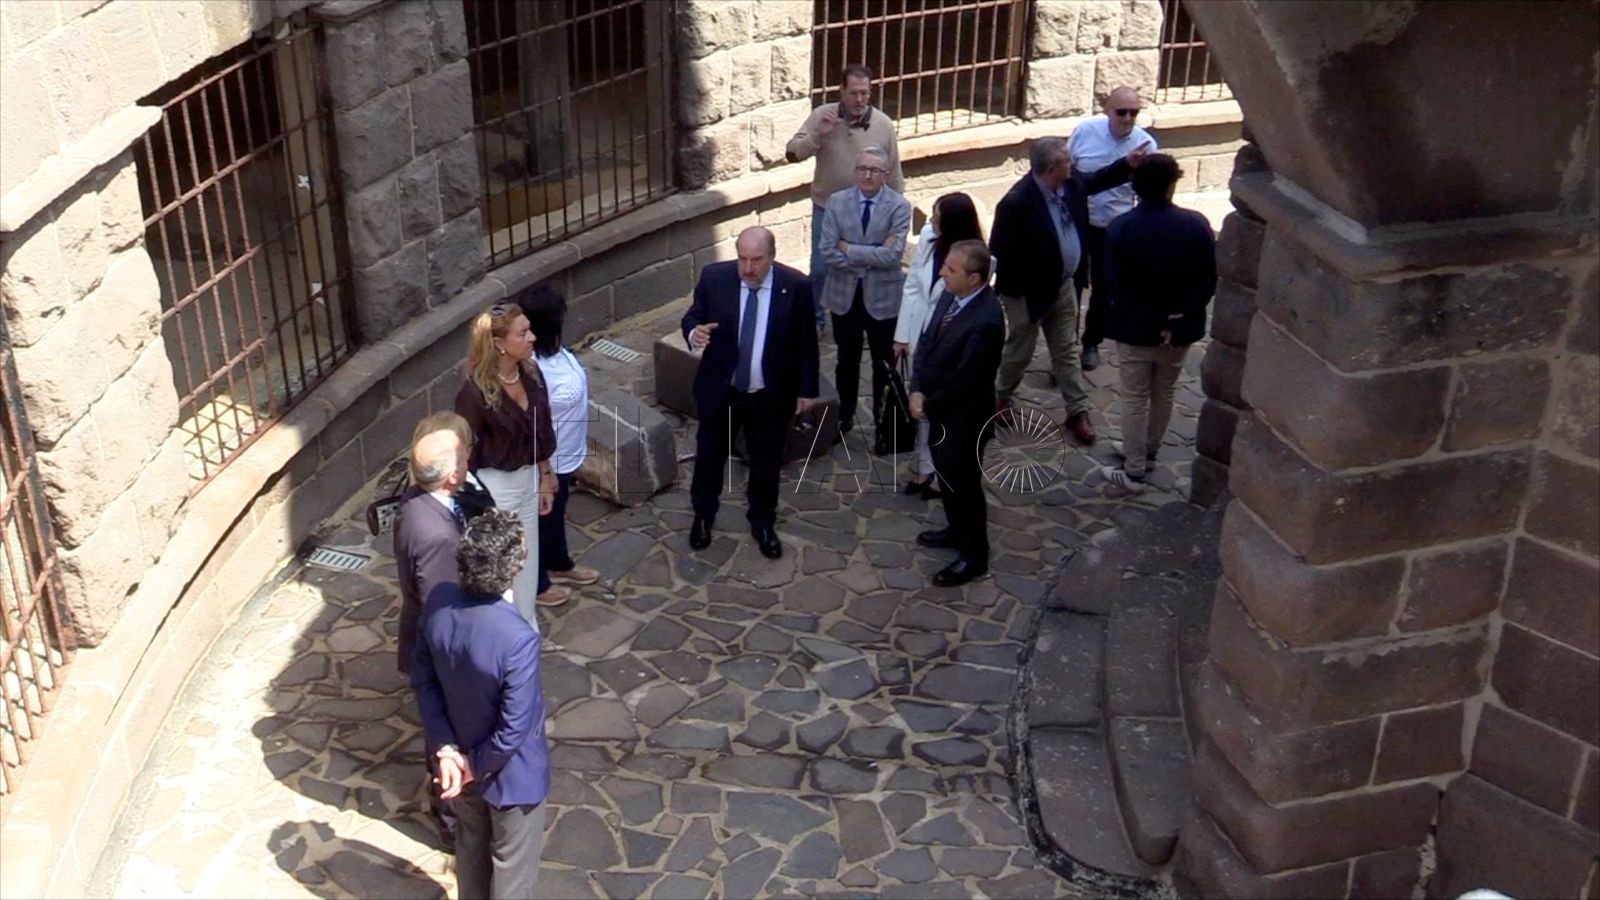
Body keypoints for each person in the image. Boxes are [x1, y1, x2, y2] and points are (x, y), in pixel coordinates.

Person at [412, 508, 551, 900]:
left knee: (471, 853)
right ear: (513, 568)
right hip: (509, 776)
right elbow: (514, 727)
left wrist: (446, 750)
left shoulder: (439, 601)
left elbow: (425, 682)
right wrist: (472, 765)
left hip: (458, 760)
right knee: (512, 876)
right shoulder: (517, 638)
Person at [683, 226, 820, 560]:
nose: (747, 268)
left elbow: (806, 342)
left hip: (769, 394)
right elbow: (693, 315)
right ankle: (703, 515)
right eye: (742, 259)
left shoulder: (796, 286)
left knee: (766, 462)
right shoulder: (715, 277)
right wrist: (694, 333)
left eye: (756, 260)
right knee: (709, 457)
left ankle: (762, 521)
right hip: (722, 389)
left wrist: (807, 390)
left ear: (772, 256)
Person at [989, 137, 1136, 446]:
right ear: (1051, 168)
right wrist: (1025, 291)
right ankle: (1001, 396)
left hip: (1063, 285)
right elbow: (1001, 251)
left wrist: (1127, 164)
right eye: (1068, 161)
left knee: (1066, 349)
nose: (1073, 164)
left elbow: (1095, 181)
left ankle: (1077, 410)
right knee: (1020, 350)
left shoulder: (1070, 184)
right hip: (1027, 293)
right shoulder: (1017, 203)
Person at [1098, 154, 1216, 493]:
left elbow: (1113, 285)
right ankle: (1148, 451)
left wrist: (1152, 319)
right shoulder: (1196, 224)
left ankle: (1134, 468)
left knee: (1135, 396)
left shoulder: (1121, 227)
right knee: (1164, 391)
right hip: (1179, 329)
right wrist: (1174, 319)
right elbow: (1207, 280)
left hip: (1135, 328)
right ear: (1171, 185)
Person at [392, 411, 474, 853]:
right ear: (451, 475)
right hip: (440, 653)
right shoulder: (437, 536)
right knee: (445, 735)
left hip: (425, 638)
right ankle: (453, 823)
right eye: (464, 458)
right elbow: (443, 608)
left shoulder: (417, 503)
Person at [454, 304, 560, 622]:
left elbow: (540, 428)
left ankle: (527, 628)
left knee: (528, 561)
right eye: (523, 333)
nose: (532, 337)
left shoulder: (531, 373)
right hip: (497, 486)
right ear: (499, 343)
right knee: (503, 569)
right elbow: (464, 449)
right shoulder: (474, 393)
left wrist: (545, 474)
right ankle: (504, 633)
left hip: (529, 478)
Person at [909, 240, 1006, 587]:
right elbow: (927, 341)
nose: (942, 273)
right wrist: (916, 386)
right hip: (939, 410)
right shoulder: (951, 295)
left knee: (964, 486)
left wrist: (926, 403)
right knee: (947, 477)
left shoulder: (986, 321)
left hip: (964, 421)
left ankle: (974, 556)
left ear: (974, 278)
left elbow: (967, 380)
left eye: (950, 269)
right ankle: (956, 530)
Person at [786, 64, 905, 330]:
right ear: (841, 91)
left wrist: (896, 215)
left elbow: (894, 172)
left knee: (865, 268)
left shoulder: (883, 124)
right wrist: (819, 135)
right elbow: (792, 153)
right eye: (854, 93)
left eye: (865, 93)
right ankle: (816, 321)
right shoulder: (822, 115)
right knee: (820, 268)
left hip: (869, 210)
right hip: (827, 208)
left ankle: (864, 319)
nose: (860, 100)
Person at [818, 146, 913, 454]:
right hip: (844, 297)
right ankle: (843, 418)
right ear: (855, 171)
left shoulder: (900, 207)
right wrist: (873, 253)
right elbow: (827, 251)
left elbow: (893, 256)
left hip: (882, 299)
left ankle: (884, 428)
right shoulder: (837, 202)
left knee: (883, 365)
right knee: (846, 361)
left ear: (885, 174)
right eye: (862, 169)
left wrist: (849, 248)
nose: (867, 175)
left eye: (874, 170)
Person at [894, 192, 987, 499]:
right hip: (920, 331)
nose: (931, 221)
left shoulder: (979, 260)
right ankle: (923, 465)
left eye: (937, 217)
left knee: (942, 406)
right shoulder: (928, 239)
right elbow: (912, 285)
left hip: (948, 341)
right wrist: (902, 334)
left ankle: (940, 471)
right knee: (919, 400)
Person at [516, 284, 601, 605]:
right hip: (548, 461)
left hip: (567, 453)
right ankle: (537, 583)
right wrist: (545, 470)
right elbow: (532, 424)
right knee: (541, 520)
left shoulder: (558, 353)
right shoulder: (531, 370)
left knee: (556, 513)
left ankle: (559, 561)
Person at [1069, 86, 1157, 371]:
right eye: (1122, 112)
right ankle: (1066, 348)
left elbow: (1148, 193)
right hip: (1081, 223)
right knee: (1071, 285)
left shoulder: (1145, 145)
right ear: (1108, 110)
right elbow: (1070, 176)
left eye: (1134, 112)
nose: (1128, 118)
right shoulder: (1085, 132)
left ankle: (1091, 342)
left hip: (1114, 227)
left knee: (1104, 289)